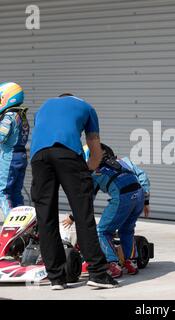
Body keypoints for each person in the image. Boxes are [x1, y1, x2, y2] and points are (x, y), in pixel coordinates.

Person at [30, 93, 118, 289]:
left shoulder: (44, 106)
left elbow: (42, 133)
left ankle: (56, 277)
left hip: (38, 157)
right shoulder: (86, 107)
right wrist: (87, 170)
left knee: (45, 217)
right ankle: (97, 273)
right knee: (82, 213)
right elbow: (95, 149)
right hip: (67, 153)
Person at [63, 143, 151, 278]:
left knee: (102, 231)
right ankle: (131, 262)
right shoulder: (124, 161)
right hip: (139, 195)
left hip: (123, 198)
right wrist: (145, 201)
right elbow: (143, 176)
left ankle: (112, 264)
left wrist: (72, 217)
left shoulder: (95, 173)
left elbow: (86, 201)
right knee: (126, 230)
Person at [0, 82, 29, 218]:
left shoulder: (9, 116)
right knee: (16, 192)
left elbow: (1, 136)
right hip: (21, 156)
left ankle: (10, 223)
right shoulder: (22, 115)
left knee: (3, 192)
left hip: (9, 157)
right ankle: (22, 225)